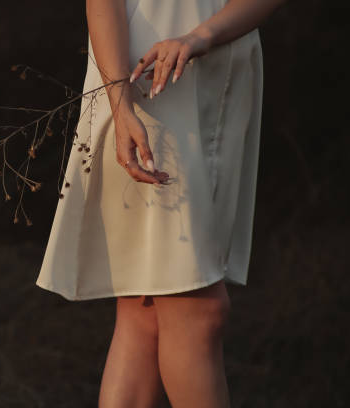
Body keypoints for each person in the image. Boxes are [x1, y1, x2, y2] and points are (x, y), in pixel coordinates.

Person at [36, 0, 287, 406]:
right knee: (197, 311)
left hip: (220, 70)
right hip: (144, 81)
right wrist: (120, 105)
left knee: (145, 314)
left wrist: (203, 35)